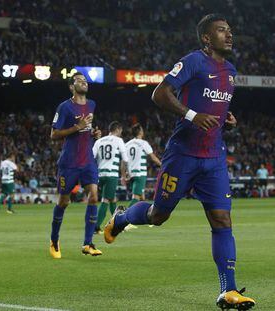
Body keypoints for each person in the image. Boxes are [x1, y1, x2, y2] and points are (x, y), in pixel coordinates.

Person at [104, 14, 255, 310]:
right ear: (207, 38)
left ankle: (229, 290)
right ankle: (121, 219)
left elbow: (216, 107)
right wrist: (191, 116)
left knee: (222, 221)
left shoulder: (232, 71)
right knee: (158, 215)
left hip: (213, 158)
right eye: (222, 30)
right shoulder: (194, 61)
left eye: (230, 30)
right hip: (182, 155)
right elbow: (159, 93)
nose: (229, 35)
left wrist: (227, 121)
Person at [49, 72, 102, 259]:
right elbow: (54, 134)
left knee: (94, 196)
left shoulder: (92, 105)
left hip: (87, 160)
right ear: (72, 87)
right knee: (64, 202)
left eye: (85, 80)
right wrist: (76, 128)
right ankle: (54, 241)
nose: (84, 82)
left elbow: (86, 130)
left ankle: (87, 244)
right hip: (69, 163)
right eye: (79, 81)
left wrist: (94, 133)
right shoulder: (64, 107)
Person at [92, 121, 128, 234]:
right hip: (111, 174)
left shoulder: (99, 141)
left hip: (100, 175)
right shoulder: (119, 141)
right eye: (121, 131)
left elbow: (91, 157)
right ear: (117, 130)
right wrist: (123, 175)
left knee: (112, 199)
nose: (121, 133)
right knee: (106, 200)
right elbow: (125, 160)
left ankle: (118, 224)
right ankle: (95, 227)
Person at [125, 123, 161, 206]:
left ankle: (141, 217)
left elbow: (124, 160)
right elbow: (153, 158)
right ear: (140, 132)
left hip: (130, 174)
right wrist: (162, 165)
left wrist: (125, 173)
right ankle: (124, 216)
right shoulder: (143, 143)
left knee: (142, 198)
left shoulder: (127, 144)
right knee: (136, 198)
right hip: (140, 174)